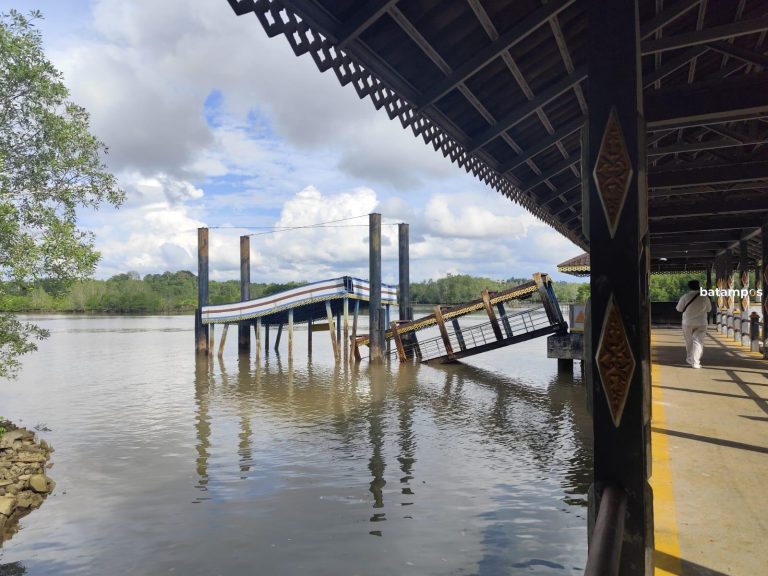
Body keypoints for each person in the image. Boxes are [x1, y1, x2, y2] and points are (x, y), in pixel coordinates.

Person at [675, 280, 711, 369]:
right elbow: (709, 309)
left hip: (688, 322)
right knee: (698, 342)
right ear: (699, 286)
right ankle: (696, 362)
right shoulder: (705, 297)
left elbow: (679, 309)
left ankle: (690, 358)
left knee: (689, 341)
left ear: (689, 287)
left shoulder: (685, 297)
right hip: (702, 322)